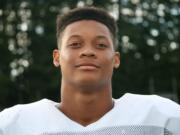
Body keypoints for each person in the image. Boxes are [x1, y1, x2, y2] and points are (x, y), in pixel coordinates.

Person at [0, 6, 180, 135]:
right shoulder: (12, 124)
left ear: (116, 59)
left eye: (101, 45)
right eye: (75, 44)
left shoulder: (161, 118)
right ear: (57, 57)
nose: (88, 51)